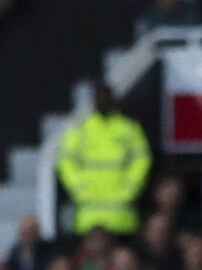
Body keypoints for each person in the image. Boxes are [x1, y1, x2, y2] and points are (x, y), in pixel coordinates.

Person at [55, 86, 150, 236]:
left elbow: (142, 160)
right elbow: (65, 161)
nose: (102, 100)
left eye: (106, 96)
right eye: (98, 97)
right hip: (89, 216)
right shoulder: (81, 129)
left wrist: (131, 186)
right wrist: (78, 187)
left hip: (121, 216)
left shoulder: (128, 128)